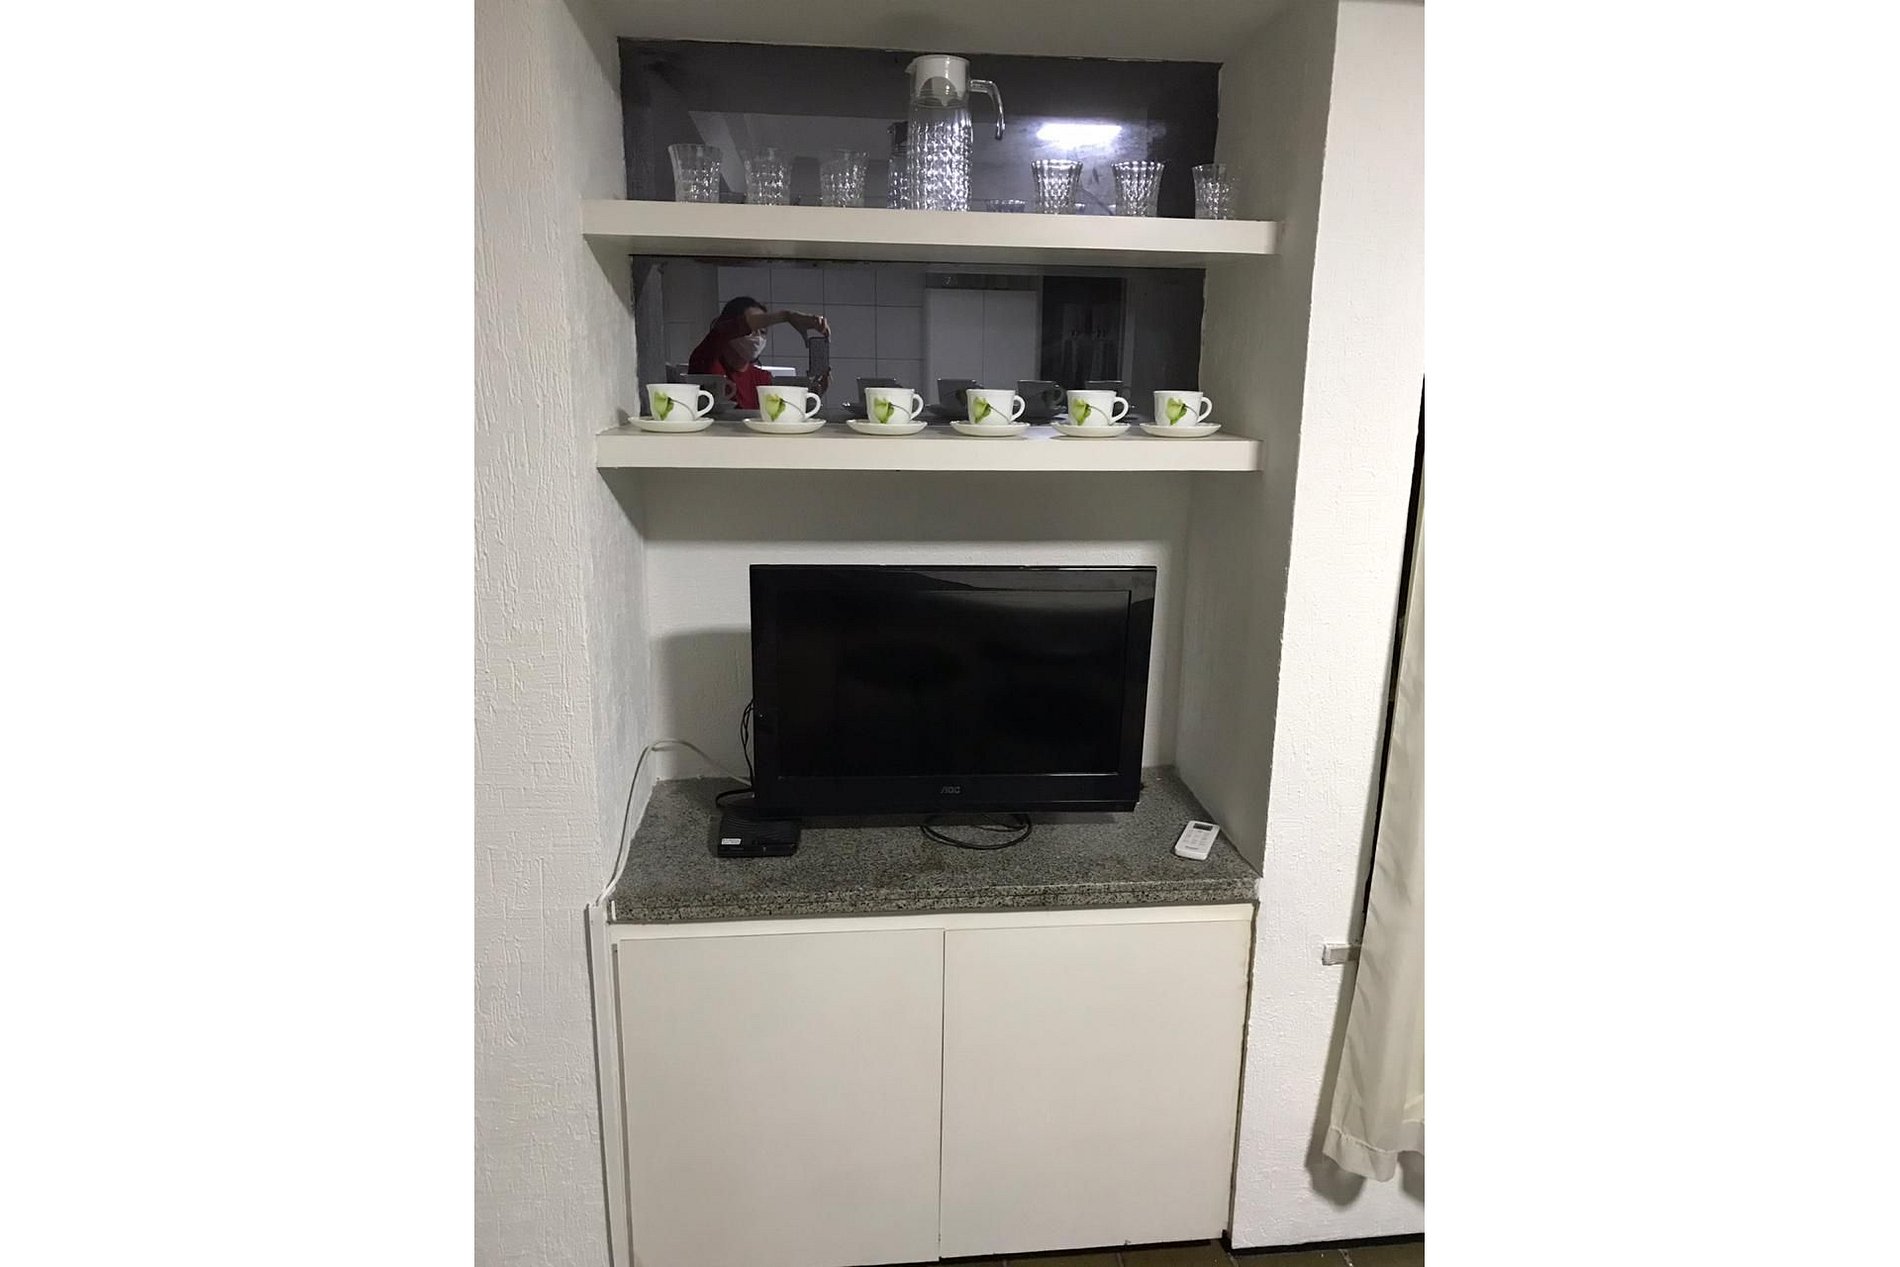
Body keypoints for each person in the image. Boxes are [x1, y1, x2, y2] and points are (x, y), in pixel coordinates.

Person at [687, 296, 831, 409]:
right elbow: (722, 331)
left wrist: (812, 397)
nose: (757, 337)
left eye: (762, 331)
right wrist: (786, 316)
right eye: (750, 330)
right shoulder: (706, 359)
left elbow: (775, 414)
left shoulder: (762, 379)